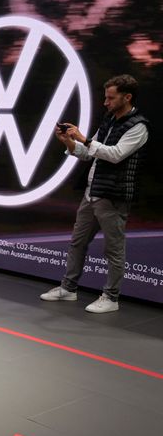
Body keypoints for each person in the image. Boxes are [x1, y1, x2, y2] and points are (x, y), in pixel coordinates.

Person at [40, 74, 149, 313]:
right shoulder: (109, 120)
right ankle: (68, 289)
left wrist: (84, 139)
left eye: (111, 98)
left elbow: (115, 154)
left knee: (114, 249)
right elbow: (89, 153)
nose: (105, 102)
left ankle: (111, 298)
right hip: (92, 193)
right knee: (77, 242)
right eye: (105, 97)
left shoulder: (138, 126)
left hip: (113, 196)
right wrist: (69, 142)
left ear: (127, 97)